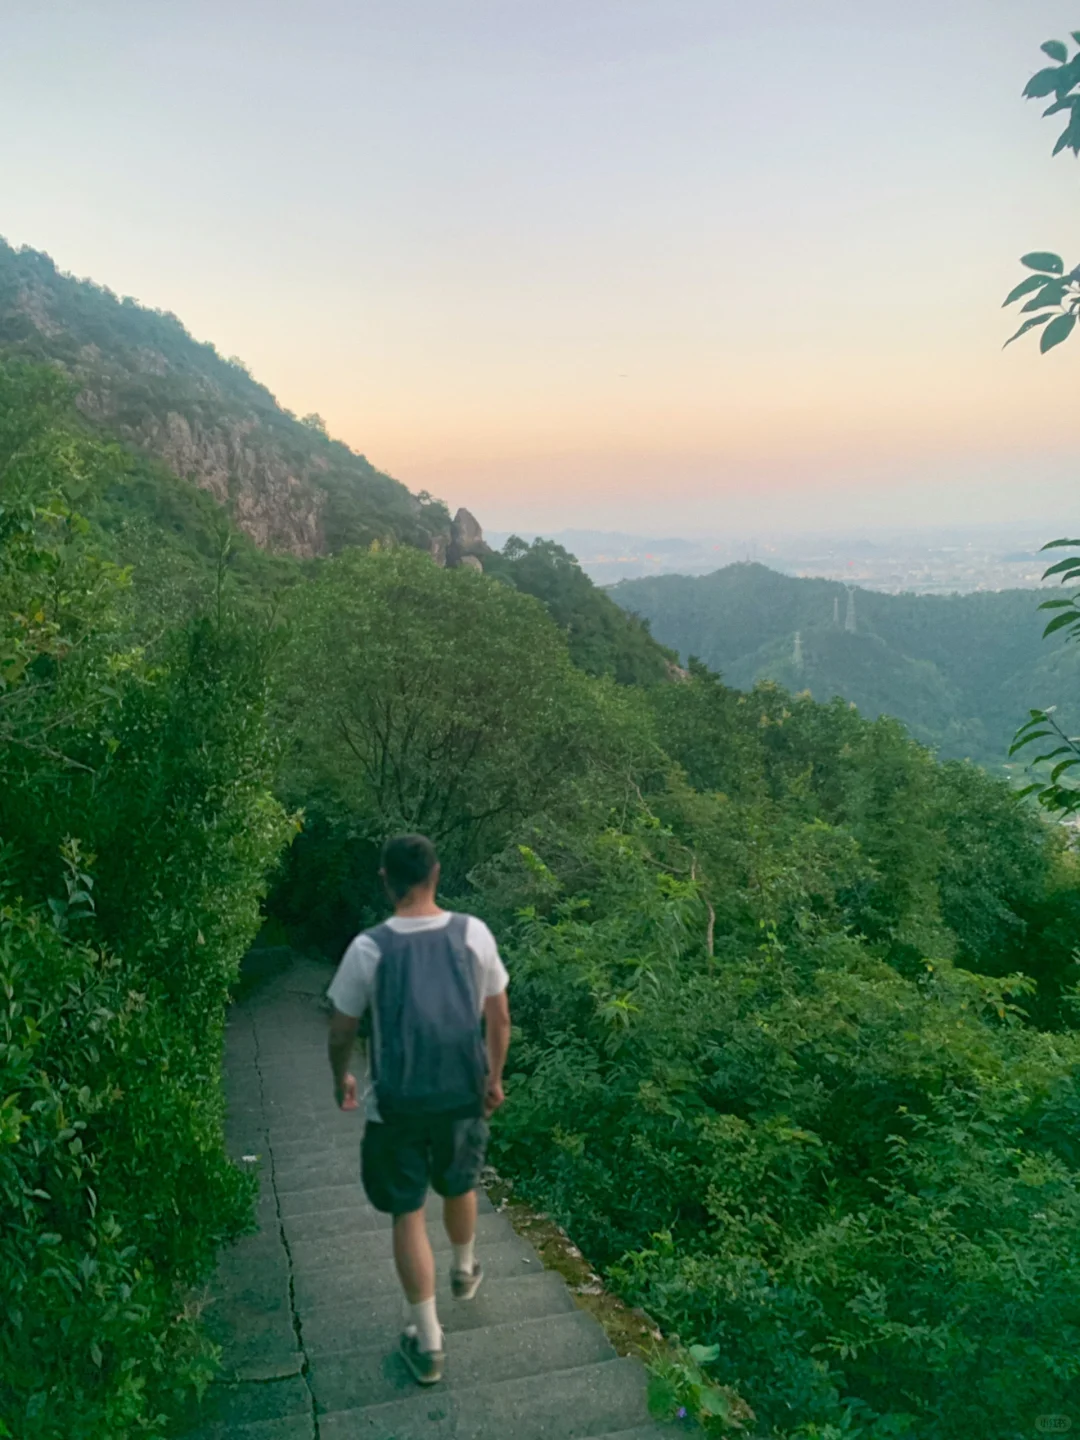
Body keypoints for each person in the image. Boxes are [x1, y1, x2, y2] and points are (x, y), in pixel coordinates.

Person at [326, 833, 511, 1386]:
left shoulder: (369, 947)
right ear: (435, 874)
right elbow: (499, 1017)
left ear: (387, 879)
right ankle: (463, 1268)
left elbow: (342, 1029)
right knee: (459, 1185)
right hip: (460, 1095)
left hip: (399, 1105)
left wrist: (342, 1078)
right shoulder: (472, 933)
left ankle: (429, 1342)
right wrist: (493, 1079)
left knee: (408, 1212)